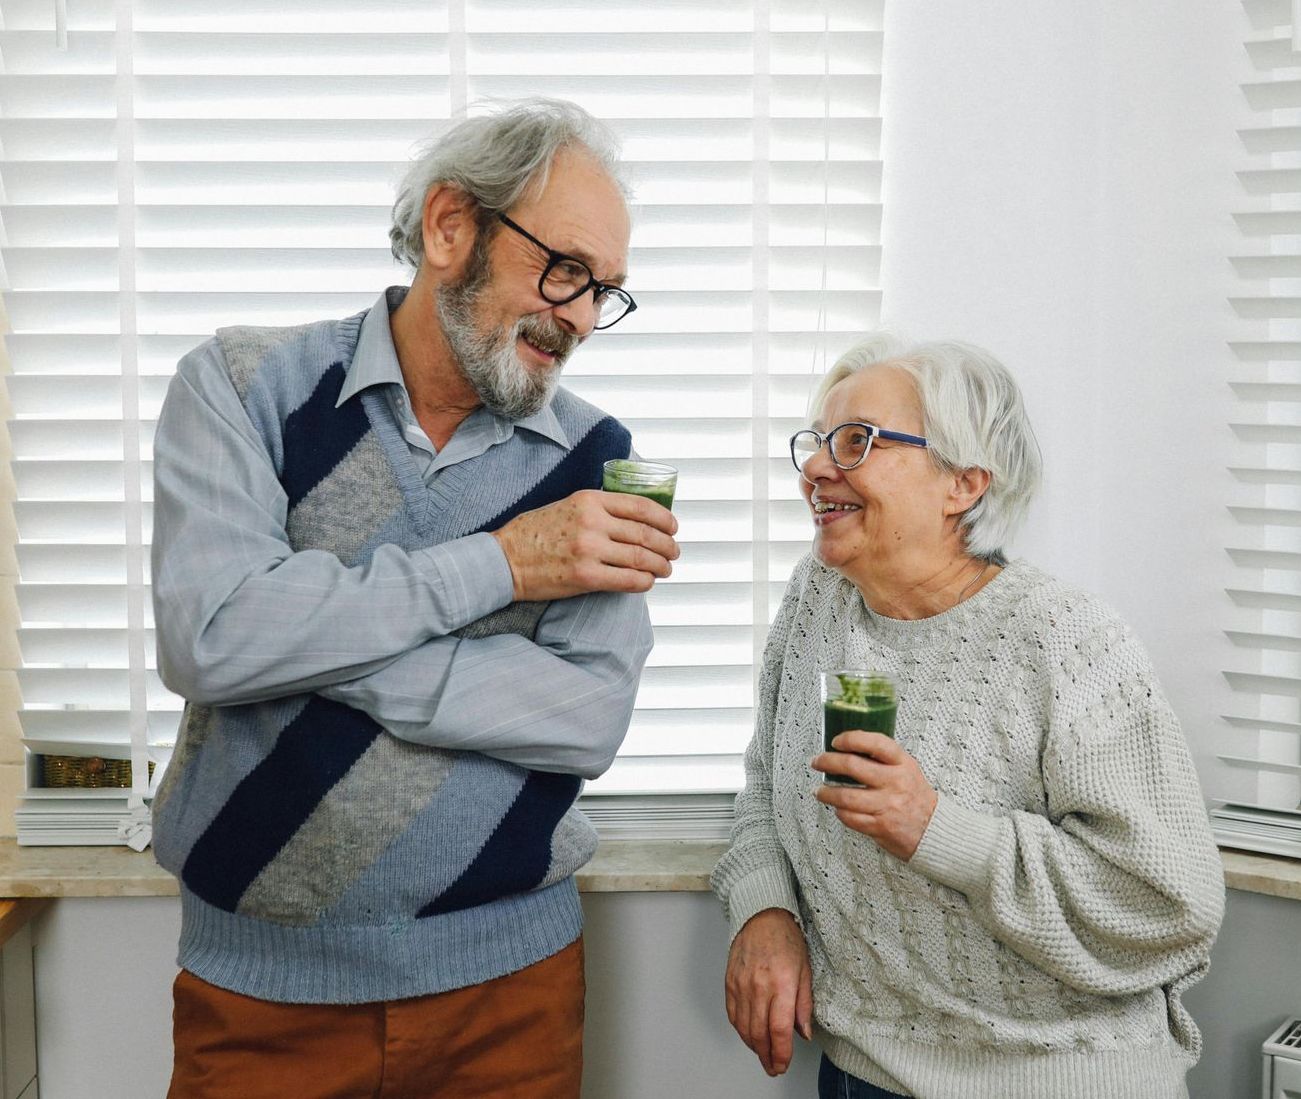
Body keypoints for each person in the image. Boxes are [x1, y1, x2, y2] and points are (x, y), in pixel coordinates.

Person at [149, 98, 679, 1099]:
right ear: (449, 227)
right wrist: (502, 566)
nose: (576, 314)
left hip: (510, 1001)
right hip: (261, 1004)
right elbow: (211, 635)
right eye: (563, 268)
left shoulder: (600, 460)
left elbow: (586, 718)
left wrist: (310, 640)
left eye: (602, 290)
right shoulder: (239, 386)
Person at [711, 334, 1224, 1099]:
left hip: (1057, 1077)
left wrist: (935, 828)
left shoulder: (1066, 638)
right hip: (860, 1071)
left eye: (856, 442)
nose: (815, 468)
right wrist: (764, 907)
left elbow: (1169, 904)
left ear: (963, 483)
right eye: (817, 442)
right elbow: (765, 784)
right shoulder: (819, 600)